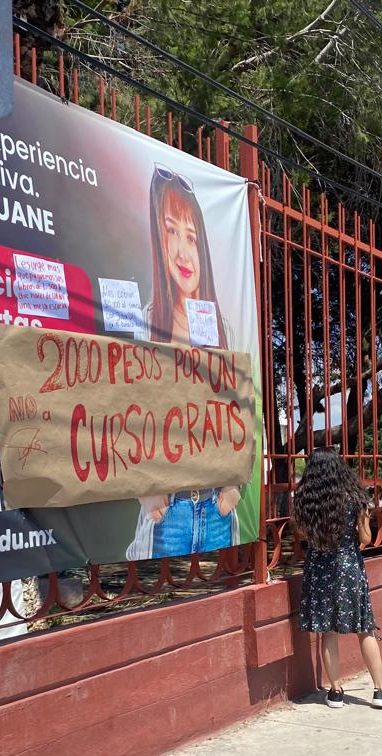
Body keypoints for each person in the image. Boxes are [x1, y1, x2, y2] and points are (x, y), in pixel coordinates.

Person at [127, 165, 241, 560]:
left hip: (217, 508)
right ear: (157, 240)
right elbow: (128, 411)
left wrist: (232, 488)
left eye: (190, 236)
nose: (181, 250)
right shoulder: (145, 323)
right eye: (170, 231)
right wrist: (144, 489)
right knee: (162, 612)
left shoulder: (221, 327)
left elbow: (237, 409)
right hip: (168, 511)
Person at [293, 446, 382, 710]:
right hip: (347, 566)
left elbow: (301, 536)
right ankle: (381, 690)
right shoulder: (354, 498)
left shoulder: (304, 500)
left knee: (327, 631)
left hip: (318, 568)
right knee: (364, 628)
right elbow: (366, 538)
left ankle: (335, 692)